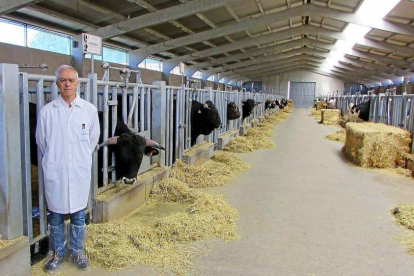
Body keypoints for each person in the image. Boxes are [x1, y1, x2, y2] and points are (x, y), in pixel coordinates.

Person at [36, 65, 100, 273]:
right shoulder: (47, 112)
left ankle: (76, 251)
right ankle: (57, 254)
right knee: (55, 215)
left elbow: (93, 139)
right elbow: (42, 142)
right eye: (63, 80)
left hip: (79, 171)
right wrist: (57, 160)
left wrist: (78, 159)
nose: (67, 84)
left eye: (71, 80)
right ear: (57, 84)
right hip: (56, 170)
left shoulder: (88, 110)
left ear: (77, 83)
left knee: (78, 215)